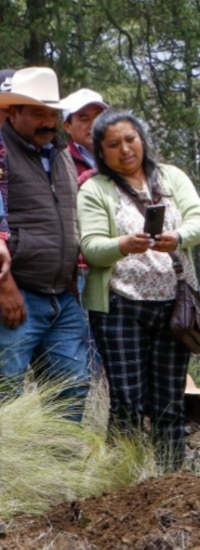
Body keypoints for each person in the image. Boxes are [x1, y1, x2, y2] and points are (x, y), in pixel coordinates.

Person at [78, 109, 200, 470]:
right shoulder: (94, 189)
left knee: (170, 401)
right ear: (101, 153)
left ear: (143, 139)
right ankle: (124, 483)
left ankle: (172, 481)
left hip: (174, 308)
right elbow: (90, 247)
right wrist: (123, 244)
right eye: (113, 144)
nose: (125, 150)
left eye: (130, 139)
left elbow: (198, 221)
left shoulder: (171, 177)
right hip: (120, 306)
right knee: (127, 401)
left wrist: (178, 237)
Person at [0, 67, 91, 422]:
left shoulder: (62, 154)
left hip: (63, 297)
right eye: (38, 112)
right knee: (6, 391)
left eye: (52, 113)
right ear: (13, 112)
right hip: (17, 294)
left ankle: (62, 474)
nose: (48, 122)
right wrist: (5, 286)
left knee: (71, 389)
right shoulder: (2, 154)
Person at [59, 88, 108, 177]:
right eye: (84, 119)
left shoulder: (117, 152)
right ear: (67, 127)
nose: (93, 125)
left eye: (98, 117)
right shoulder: (61, 160)